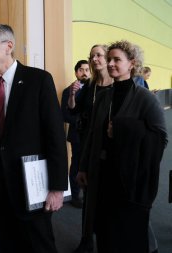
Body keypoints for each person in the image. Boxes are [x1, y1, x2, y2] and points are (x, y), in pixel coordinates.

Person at [0, 24, 68, 253]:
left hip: (32, 189)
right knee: (8, 246)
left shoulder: (39, 80)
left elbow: (55, 136)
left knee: (39, 246)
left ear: (9, 46)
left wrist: (57, 187)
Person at [78, 40, 167, 253]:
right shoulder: (103, 97)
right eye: (109, 59)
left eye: (117, 59)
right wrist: (82, 166)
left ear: (132, 64)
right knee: (105, 232)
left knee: (127, 235)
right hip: (101, 175)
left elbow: (160, 139)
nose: (110, 63)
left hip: (129, 179)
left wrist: (123, 129)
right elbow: (91, 135)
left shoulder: (146, 98)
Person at [68, 44, 113, 253]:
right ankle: (86, 240)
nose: (95, 59)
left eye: (99, 55)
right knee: (88, 197)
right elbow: (74, 110)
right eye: (92, 55)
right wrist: (72, 95)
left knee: (108, 197)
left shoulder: (117, 86)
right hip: (87, 145)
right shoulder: (90, 86)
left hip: (109, 149)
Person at [61, 60, 90, 209]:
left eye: (87, 69)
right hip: (77, 136)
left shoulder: (94, 90)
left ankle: (89, 195)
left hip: (91, 136)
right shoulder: (68, 91)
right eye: (81, 70)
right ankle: (75, 195)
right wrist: (82, 121)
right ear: (76, 72)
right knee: (77, 166)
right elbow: (65, 115)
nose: (84, 72)